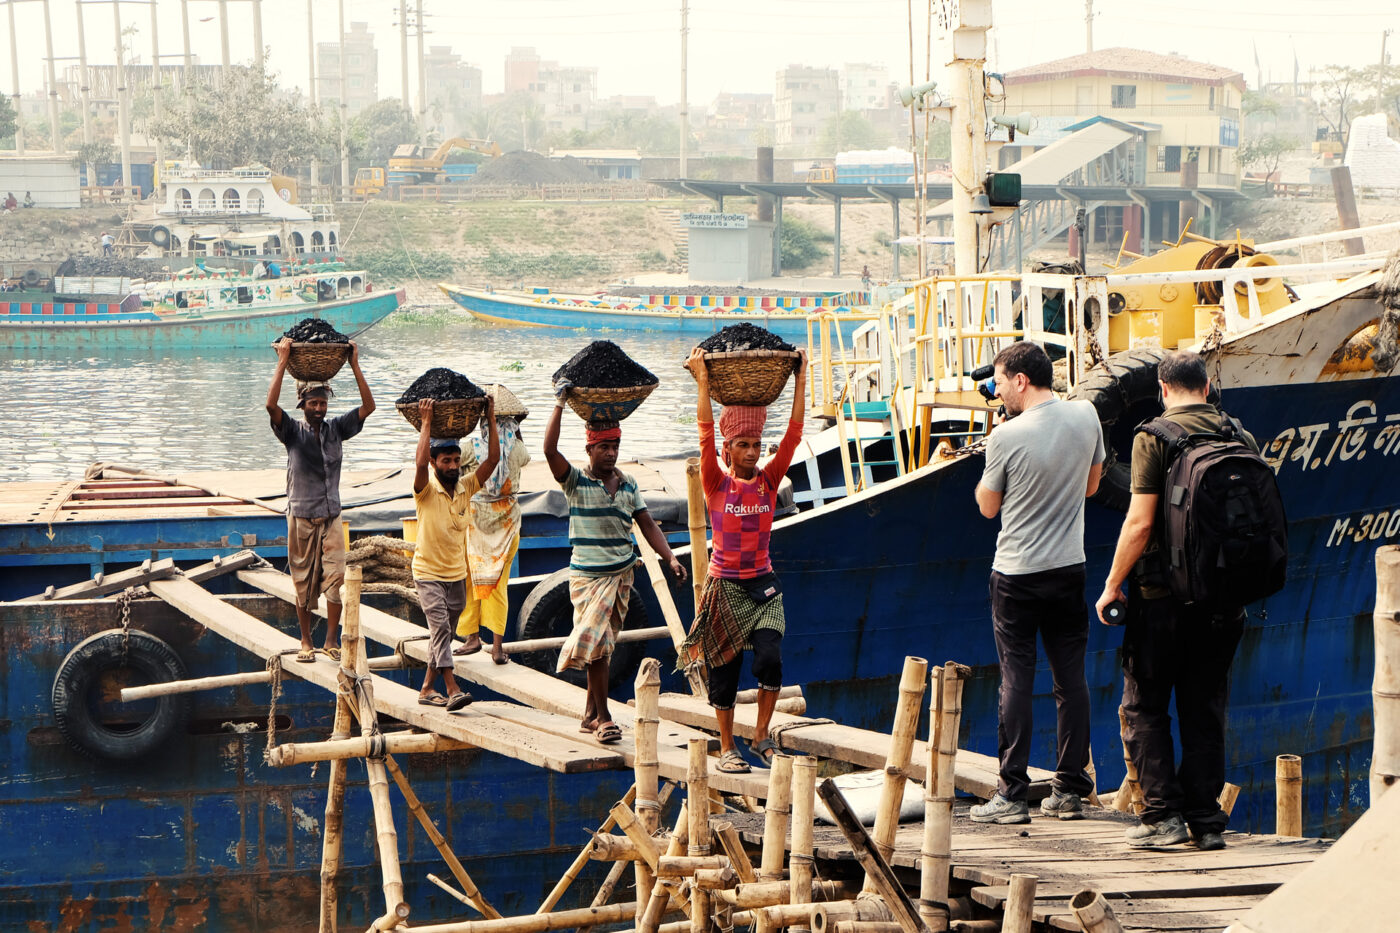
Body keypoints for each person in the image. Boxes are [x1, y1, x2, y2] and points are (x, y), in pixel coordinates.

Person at [1094, 351, 1254, 851]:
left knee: (1144, 706)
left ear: (1163, 390)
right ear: (1207, 388)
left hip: (1160, 600)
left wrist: (1112, 584)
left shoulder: (1154, 437)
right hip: (1224, 601)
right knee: (1204, 709)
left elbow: (1140, 522)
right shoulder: (1240, 436)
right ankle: (1206, 822)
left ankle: (1162, 817)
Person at [970, 341, 1104, 825]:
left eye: (1001, 381)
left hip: (1017, 575)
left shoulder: (1007, 436)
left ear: (1021, 380)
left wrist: (995, 447)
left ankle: (1011, 795)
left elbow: (987, 507)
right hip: (1070, 569)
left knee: (1016, 681)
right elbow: (1092, 486)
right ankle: (1069, 788)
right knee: (1071, 679)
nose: (999, 389)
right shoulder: (1086, 415)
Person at [681, 347, 807, 773]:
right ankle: (727, 746)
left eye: (756, 444)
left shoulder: (770, 480)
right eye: (743, 445)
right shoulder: (716, 483)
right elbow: (703, 432)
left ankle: (761, 737)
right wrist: (702, 382)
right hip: (726, 587)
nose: (753, 452)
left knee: (770, 659)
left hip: (764, 585)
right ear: (728, 448)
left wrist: (800, 377)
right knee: (725, 672)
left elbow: (793, 432)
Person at [543, 384, 686, 745]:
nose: (609, 454)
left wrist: (669, 557)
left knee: (601, 645)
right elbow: (548, 449)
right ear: (589, 449)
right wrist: (560, 403)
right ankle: (603, 716)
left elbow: (647, 524)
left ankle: (590, 715)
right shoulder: (575, 481)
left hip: (621, 575)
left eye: (614, 447)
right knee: (598, 645)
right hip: (588, 579)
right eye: (603, 447)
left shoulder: (628, 484)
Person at [266, 337, 375, 662]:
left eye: (322, 404)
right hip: (301, 517)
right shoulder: (292, 433)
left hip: (330, 516)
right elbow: (271, 407)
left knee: (335, 579)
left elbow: (368, 407)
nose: (318, 408)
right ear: (302, 405)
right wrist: (283, 361)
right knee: (302, 582)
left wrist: (354, 364)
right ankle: (305, 642)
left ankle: (329, 640)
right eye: (312, 404)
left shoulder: (336, 430)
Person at [411, 397, 500, 711]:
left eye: (455, 460)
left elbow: (492, 461)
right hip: (428, 574)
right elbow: (420, 464)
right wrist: (425, 422)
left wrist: (489, 416)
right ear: (436, 463)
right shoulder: (425, 490)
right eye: (445, 461)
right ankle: (452, 688)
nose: (451, 466)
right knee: (441, 630)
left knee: (443, 637)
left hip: (456, 577)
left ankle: (425, 688)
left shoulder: (465, 487)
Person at [456, 386, 530, 664]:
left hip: (475, 525)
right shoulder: (519, 449)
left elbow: (442, 459)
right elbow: (524, 452)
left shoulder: (471, 450)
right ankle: (497, 648)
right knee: (499, 585)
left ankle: (472, 637)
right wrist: (517, 427)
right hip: (508, 524)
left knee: (471, 580)